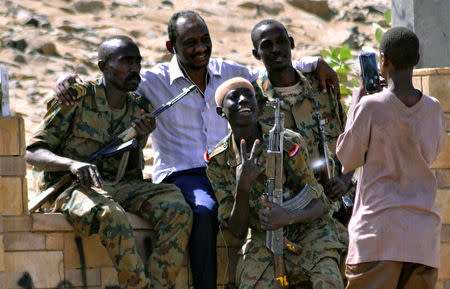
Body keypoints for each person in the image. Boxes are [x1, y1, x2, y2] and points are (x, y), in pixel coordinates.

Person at [53, 11, 341, 289]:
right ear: (171, 46)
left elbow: (269, 67)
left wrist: (315, 63)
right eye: (190, 43)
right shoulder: (154, 80)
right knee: (204, 211)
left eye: (205, 39)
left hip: (225, 166)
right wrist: (67, 79)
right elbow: (112, 78)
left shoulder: (228, 72)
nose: (201, 48)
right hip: (182, 174)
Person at [26, 36, 193, 289]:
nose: (135, 68)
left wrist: (142, 135)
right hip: (71, 188)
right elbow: (33, 152)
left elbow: (132, 167)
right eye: (126, 61)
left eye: (137, 62)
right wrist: (71, 164)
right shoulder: (76, 99)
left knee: (177, 207)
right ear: (103, 66)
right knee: (111, 215)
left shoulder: (139, 107)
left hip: (119, 185)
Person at [206, 77, 347, 288]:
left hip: (308, 230)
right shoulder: (218, 160)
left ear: (258, 104)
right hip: (263, 238)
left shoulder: (288, 142)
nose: (243, 100)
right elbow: (235, 230)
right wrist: (242, 187)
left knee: (328, 283)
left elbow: (320, 203)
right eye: (234, 97)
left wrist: (288, 216)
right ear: (221, 112)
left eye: (249, 95)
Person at [336, 27, 446, 289]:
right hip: (422, 239)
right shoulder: (433, 107)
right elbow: (434, 151)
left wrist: (356, 100)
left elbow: (347, 157)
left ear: (383, 61)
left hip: (378, 236)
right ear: (417, 60)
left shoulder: (370, 106)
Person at [250, 19, 355, 224]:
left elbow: (350, 139)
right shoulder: (253, 100)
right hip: (292, 209)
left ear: (291, 43)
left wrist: (343, 180)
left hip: (340, 198)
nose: (275, 49)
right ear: (256, 54)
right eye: (266, 45)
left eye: (281, 41)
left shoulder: (322, 87)